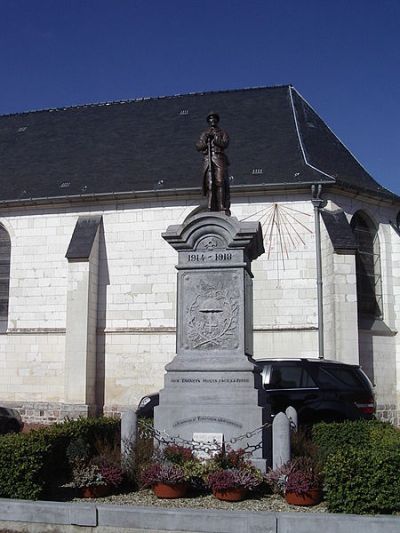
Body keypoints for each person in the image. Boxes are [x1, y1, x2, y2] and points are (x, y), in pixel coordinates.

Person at [196, 112, 231, 215]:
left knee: (219, 181)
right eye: (210, 119)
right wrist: (205, 139)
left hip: (219, 157)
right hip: (208, 159)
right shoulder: (204, 133)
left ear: (217, 120)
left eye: (214, 118)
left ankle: (221, 205)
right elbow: (198, 146)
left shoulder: (222, 132)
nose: (212, 120)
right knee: (210, 184)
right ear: (208, 121)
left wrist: (215, 138)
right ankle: (210, 206)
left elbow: (225, 144)